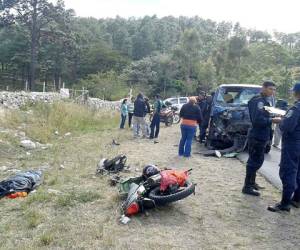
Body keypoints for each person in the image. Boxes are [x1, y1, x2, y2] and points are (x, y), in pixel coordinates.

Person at [242, 81, 281, 196]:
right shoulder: (258, 101)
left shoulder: (265, 101)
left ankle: (252, 182)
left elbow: (264, 115)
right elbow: (257, 120)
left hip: (262, 135)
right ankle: (247, 186)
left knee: (256, 160)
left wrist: (273, 116)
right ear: (263, 88)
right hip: (257, 135)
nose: (272, 92)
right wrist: (272, 120)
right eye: (270, 89)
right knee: (255, 161)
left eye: (274, 90)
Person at [268, 83, 300, 212]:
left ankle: (284, 204)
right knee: (298, 173)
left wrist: (281, 121)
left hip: (293, 145)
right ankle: (296, 199)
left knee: (288, 172)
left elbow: (287, 127)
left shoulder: (295, 108)